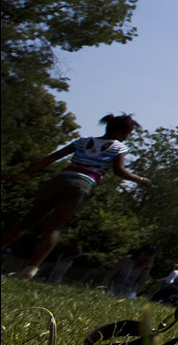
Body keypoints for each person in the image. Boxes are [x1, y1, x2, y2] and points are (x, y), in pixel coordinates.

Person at [2, 114, 149, 279]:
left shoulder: (82, 141)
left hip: (61, 179)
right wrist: (140, 179)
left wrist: (25, 173)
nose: (127, 136)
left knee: (27, 221)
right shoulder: (118, 147)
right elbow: (119, 171)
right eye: (128, 133)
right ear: (120, 132)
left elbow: (53, 157)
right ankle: (30, 268)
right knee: (54, 227)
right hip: (82, 185)